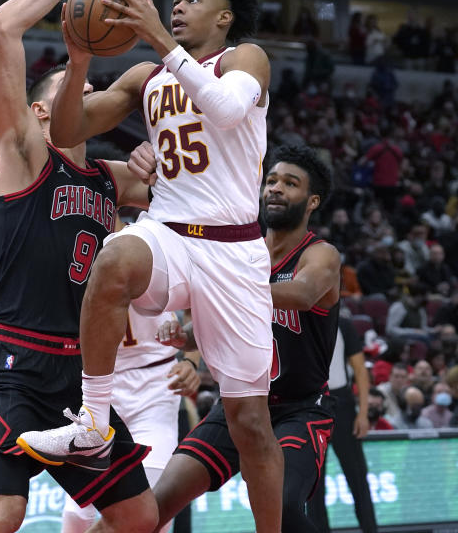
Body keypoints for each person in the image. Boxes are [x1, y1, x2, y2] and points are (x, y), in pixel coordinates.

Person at [19, 0, 282, 531]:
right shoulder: (149, 75)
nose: (177, 7)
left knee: (249, 424)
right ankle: (93, 418)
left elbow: (228, 108)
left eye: (192, 0)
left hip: (233, 250)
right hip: (168, 232)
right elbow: (67, 130)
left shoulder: (245, 58)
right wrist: (81, 57)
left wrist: (162, 39)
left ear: (224, 16)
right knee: (114, 258)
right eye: (176, 0)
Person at [0, 0, 157, 533]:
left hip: (79, 375)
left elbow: (199, 191)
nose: (91, 99)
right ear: (42, 111)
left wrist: (156, 157)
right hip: (12, 358)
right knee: (1, 512)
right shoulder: (23, 153)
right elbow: (1, 29)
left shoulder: (110, 177)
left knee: (138, 515)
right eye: (80, 92)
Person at [146, 144, 340, 532]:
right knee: (152, 508)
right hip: (238, 404)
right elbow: (206, 328)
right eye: (270, 180)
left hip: (299, 410)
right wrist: (179, 335)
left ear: (312, 200)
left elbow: (302, 294)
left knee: (282, 504)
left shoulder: (320, 255)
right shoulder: (240, 251)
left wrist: (220, 285)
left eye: (290, 183)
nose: (275, 189)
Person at [61, 304, 200, 533]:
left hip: (156, 381)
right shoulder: (69, 267)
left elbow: (195, 303)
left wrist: (190, 360)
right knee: (77, 513)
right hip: (94, 381)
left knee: (155, 509)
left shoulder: (171, 265)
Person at [309, 315, 378, 533]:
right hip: (310, 404)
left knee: (357, 476)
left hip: (342, 405)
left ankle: (370, 529)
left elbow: (360, 370)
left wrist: (363, 413)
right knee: (314, 485)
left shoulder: (343, 324)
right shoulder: (300, 320)